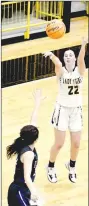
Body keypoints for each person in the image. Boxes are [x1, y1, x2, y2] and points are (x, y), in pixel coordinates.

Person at [43, 38, 87, 183]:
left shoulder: (80, 71)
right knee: (59, 143)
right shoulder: (61, 71)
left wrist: (83, 44)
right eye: (66, 55)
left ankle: (71, 166)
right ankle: (50, 167)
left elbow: (81, 59)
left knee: (76, 144)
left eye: (70, 55)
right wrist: (51, 55)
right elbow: (58, 63)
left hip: (76, 110)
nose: (68, 56)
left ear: (74, 58)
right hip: (61, 110)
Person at [7, 89, 45, 206]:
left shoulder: (25, 141)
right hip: (18, 191)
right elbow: (27, 176)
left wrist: (37, 103)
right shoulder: (28, 154)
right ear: (35, 138)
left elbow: (33, 121)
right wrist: (34, 192)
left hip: (23, 190)